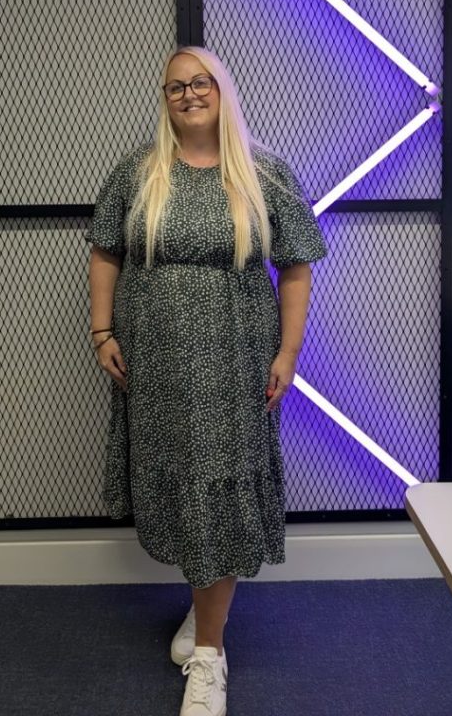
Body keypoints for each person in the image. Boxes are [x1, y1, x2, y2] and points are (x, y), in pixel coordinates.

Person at [85, 45, 328, 716]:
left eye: (200, 83)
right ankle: (205, 610)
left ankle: (210, 655)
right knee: (182, 491)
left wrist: (289, 350)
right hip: (155, 368)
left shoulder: (264, 173)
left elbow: (298, 267)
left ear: (222, 90)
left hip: (234, 365)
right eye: (173, 87)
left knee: (217, 494)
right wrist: (102, 330)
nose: (188, 94)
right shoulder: (138, 172)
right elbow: (105, 250)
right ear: (163, 99)